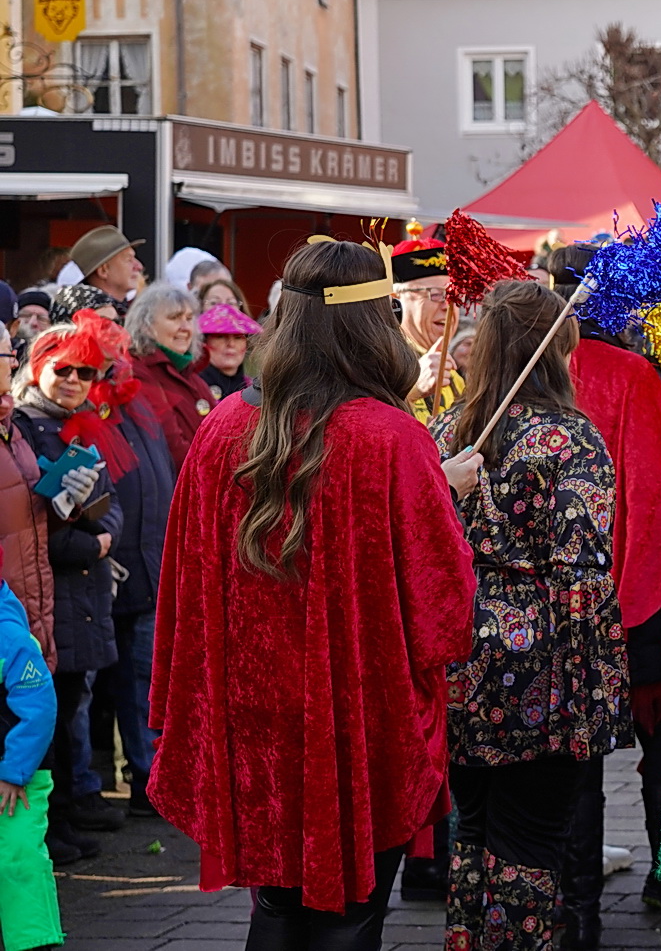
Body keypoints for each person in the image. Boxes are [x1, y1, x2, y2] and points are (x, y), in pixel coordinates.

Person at [149, 239, 482, 949]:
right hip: (358, 716)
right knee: (350, 910)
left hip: (255, 714)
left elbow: (183, 583)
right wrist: (438, 501)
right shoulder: (390, 439)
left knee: (275, 904)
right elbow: (445, 614)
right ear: (371, 325)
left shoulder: (222, 428)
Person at [431, 280, 632, 951]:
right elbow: (584, 569)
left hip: (460, 654)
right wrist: (595, 693)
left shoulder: (444, 431)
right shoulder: (570, 441)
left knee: (474, 829)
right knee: (530, 842)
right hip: (541, 667)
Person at [550, 243, 661, 951]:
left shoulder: (520, 378)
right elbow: (653, 495)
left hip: (552, 611)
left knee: (575, 765)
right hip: (633, 602)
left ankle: (577, 915)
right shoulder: (634, 373)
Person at [13, 313, 125, 863]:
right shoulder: (27, 428)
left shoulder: (86, 422)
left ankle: (66, 814)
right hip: (49, 589)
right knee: (49, 711)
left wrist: (106, 536)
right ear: (35, 371)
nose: (76, 380)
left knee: (73, 702)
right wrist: (91, 544)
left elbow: (114, 500)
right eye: (63, 369)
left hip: (80, 592)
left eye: (86, 371)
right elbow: (36, 520)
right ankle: (50, 827)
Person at [90, 333, 178, 821]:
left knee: (145, 678)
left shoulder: (137, 401)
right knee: (114, 686)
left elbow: (158, 472)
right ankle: (141, 779)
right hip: (111, 566)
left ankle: (153, 780)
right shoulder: (91, 405)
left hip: (146, 565)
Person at [0, 573, 61, 951]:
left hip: (17, 776)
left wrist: (14, 771)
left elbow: (38, 706)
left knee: (19, 857)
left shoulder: (8, 633)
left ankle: (33, 941)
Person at [0, 325, 53, 669]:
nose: (15, 360)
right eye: (8, 352)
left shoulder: (12, 427)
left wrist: (65, 502)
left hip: (32, 605)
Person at [126, 283, 218, 470]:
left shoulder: (193, 377)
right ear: (146, 326)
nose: (185, 327)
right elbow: (172, 445)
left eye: (189, 318)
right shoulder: (139, 372)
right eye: (175, 318)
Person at [391, 231, 462, 424]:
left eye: (453, 295)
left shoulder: (455, 373)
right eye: (435, 294)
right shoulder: (383, 363)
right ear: (396, 300)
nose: (448, 305)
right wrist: (412, 392)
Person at [196, 303, 261, 401]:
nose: (231, 344)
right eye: (220, 336)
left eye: (238, 337)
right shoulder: (193, 386)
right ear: (204, 342)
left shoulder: (254, 389)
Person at [68, 226, 146, 306]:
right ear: (103, 271)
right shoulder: (88, 316)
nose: (139, 266)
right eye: (128, 260)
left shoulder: (123, 311)